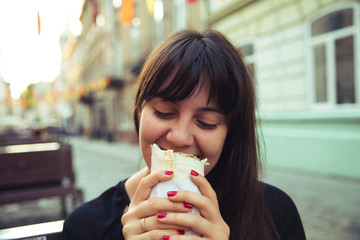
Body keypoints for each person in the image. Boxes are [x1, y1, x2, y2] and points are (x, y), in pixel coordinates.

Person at [62, 29, 306, 240]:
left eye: (206, 122)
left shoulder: (275, 214)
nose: (179, 137)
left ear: (230, 133)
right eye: (164, 112)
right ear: (139, 112)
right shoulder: (85, 227)